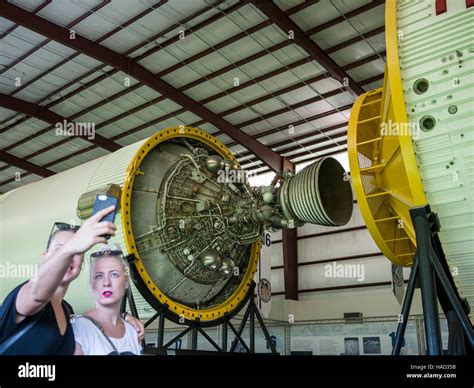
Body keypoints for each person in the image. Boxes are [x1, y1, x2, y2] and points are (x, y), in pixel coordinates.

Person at [0, 206, 144, 355]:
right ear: (45, 257)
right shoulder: (26, 294)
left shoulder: (67, 311)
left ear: (81, 265)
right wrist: (72, 247)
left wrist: (123, 317)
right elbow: (37, 293)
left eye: (77, 253)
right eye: (60, 249)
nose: (69, 257)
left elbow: (93, 319)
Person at [72, 244, 141, 355]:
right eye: (99, 276)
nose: (106, 283)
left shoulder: (133, 331)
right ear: (91, 284)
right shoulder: (79, 328)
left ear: (126, 281)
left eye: (114, 274)